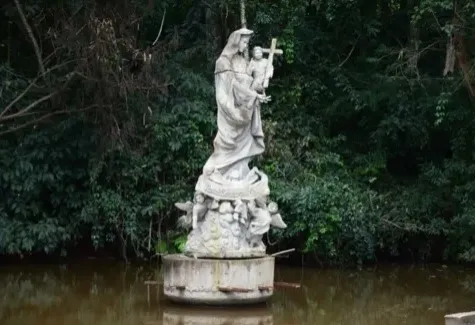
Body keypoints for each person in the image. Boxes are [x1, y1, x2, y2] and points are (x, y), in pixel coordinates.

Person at [202, 28, 270, 180]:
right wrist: (253, 95)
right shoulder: (223, 62)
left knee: (243, 145)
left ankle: (239, 174)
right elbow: (232, 86)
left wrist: (258, 86)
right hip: (231, 110)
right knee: (228, 143)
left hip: (245, 109)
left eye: (247, 42)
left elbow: (246, 83)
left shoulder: (242, 61)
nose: (246, 46)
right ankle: (216, 173)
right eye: (244, 42)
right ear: (236, 41)